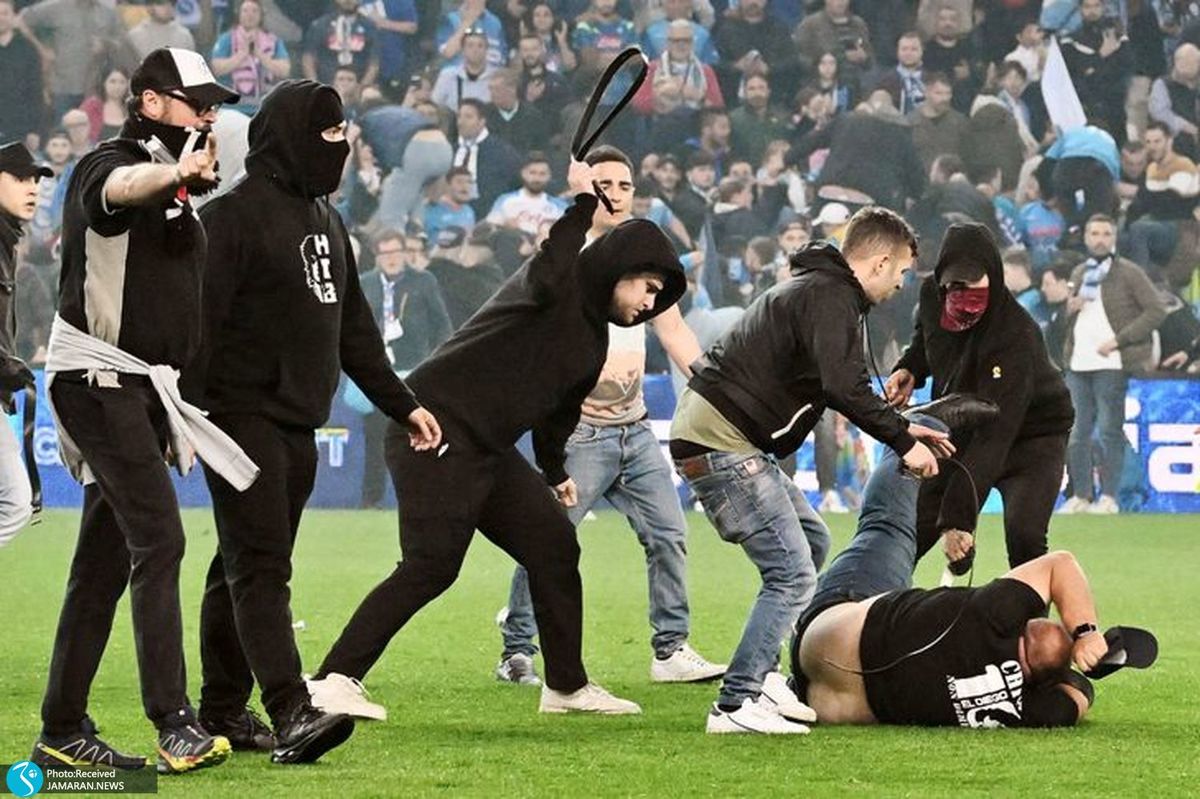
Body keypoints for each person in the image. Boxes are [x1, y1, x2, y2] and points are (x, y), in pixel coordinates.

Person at [308, 159, 685, 718]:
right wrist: (583, 202)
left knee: (555, 546)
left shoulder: (593, 342)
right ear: (620, 268)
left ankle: (566, 687)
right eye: (649, 288)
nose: (650, 304)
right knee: (432, 565)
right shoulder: (552, 284)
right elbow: (554, 258)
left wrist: (555, 473)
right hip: (432, 426)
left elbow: (557, 415)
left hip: (486, 448)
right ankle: (332, 679)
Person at [186, 79, 441, 764]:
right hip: (239, 416)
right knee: (261, 565)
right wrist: (183, 415)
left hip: (299, 420)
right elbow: (199, 326)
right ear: (293, 136)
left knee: (239, 565)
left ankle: (222, 710)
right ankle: (290, 709)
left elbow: (355, 332)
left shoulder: (328, 220)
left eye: (344, 131)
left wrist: (403, 403)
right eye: (329, 132)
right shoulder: (230, 218)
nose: (342, 144)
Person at [33, 46, 243, 775]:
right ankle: (174, 722)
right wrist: (176, 176)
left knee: (102, 561)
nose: (208, 114)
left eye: (213, 104)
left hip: (137, 389)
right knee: (161, 539)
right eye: (196, 101)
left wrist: (182, 183)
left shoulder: (176, 182)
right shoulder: (109, 164)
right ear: (150, 102)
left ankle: (61, 732)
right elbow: (123, 187)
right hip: (100, 380)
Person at [670, 206, 951, 734]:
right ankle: (736, 702)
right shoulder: (830, 295)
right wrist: (901, 441)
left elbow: (840, 383)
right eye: (901, 272)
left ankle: (765, 678)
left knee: (811, 540)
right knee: (792, 572)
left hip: (722, 431)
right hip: (723, 438)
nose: (901, 284)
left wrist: (905, 427)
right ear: (880, 262)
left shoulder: (821, 288)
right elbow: (841, 386)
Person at [495, 146, 725, 689]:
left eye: (625, 186)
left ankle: (670, 650)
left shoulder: (644, 254)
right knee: (547, 539)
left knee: (669, 535)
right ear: (583, 189)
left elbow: (674, 331)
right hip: (580, 431)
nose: (616, 195)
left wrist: (715, 387)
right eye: (604, 185)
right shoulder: (565, 257)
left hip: (635, 426)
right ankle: (517, 649)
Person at [790, 406, 1150, 728]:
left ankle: (910, 429)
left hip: (830, 625)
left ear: (1021, 626)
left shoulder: (997, 615)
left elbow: (1061, 565)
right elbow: (1080, 695)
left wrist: (1086, 633)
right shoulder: (1030, 709)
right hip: (818, 702)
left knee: (888, 529)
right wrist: (1076, 665)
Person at [885, 224, 1074, 573]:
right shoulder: (932, 296)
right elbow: (927, 338)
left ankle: (1030, 609)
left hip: (1032, 436)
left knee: (1025, 537)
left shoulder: (1016, 333)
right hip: (961, 421)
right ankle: (870, 599)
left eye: (974, 284)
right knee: (911, 529)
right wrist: (911, 366)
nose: (964, 294)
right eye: (955, 285)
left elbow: (997, 432)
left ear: (994, 277)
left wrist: (958, 519)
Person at [1058, 215, 1166, 514]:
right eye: (1095, 233)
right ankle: (1081, 495)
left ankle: (1109, 497)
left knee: (1109, 429)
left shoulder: (1129, 272)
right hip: (1078, 362)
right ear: (1086, 237)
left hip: (1111, 361)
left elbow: (1157, 310)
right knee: (1077, 432)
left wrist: (1120, 340)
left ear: (1114, 237)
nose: (1100, 239)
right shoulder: (1080, 272)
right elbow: (1068, 319)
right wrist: (1070, 308)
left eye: (1106, 233)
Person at [357, 229, 451, 509]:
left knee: (419, 436)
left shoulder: (423, 281)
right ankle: (371, 498)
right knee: (375, 440)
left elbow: (441, 325)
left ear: (404, 253)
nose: (391, 258)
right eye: (385, 253)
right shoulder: (365, 283)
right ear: (377, 256)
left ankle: (423, 498)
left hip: (415, 371)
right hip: (378, 374)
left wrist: (439, 364)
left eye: (396, 252)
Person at [0, 142, 46, 548]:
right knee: (14, 502)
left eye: (35, 179)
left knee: (15, 501)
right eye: (19, 178)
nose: (32, 187)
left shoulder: (6, 241)